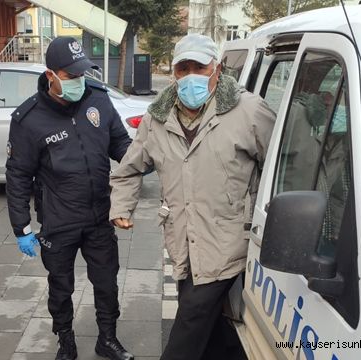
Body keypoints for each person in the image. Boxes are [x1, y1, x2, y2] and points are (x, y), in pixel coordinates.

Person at [109, 34, 276, 360]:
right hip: (183, 244)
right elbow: (129, 169)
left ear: (217, 68)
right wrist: (121, 206)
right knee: (213, 331)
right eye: (182, 69)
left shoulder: (248, 111)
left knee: (189, 328)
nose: (190, 76)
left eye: (198, 67)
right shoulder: (157, 119)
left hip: (228, 243)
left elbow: (285, 164)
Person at [5, 36, 134, 360]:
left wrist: (141, 163)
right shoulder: (29, 119)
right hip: (58, 222)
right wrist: (21, 227)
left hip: (98, 217)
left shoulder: (99, 101)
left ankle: (107, 339)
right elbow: (18, 175)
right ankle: (66, 340)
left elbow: (120, 143)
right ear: (51, 76)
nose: (79, 81)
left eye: (82, 74)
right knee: (61, 288)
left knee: (107, 284)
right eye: (70, 76)